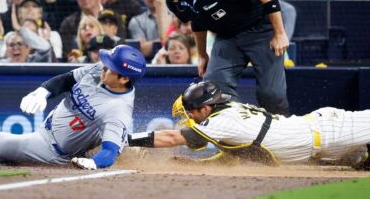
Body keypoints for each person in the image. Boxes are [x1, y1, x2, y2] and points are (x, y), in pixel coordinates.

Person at [149, 0, 290, 115]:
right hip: (227, 36)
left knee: (271, 94)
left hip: (260, 30)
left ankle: (282, 133)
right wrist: (202, 55)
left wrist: (279, 33)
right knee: (213, 90)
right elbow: (197, 20)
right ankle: (238, 128)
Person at [128, 81, 370, 169]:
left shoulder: (221, 120)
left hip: (328, 133)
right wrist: (198, 164)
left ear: (205, 108)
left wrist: (127, 138)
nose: (189, 118)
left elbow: (171, 138)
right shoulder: (225, 113)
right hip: (325, 147)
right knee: (362, 164)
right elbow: (232, 156)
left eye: (191, 113)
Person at [0, 45, 146, 170]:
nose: (104, 67)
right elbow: (67, 80)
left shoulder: (118, 109)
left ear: (124, 78)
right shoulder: (99, 71)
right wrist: (43, 91)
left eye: (110, 66)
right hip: (43, 133)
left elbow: (109, 152)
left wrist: (94, 162)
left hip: (52, 151)